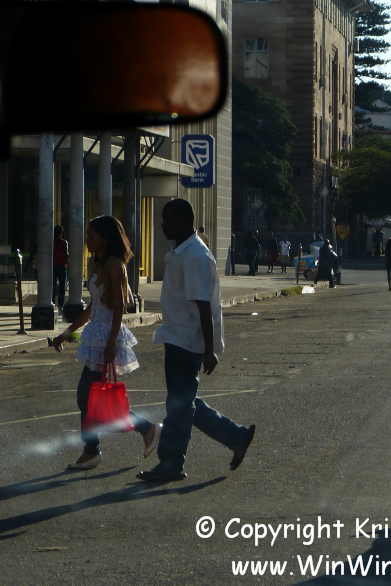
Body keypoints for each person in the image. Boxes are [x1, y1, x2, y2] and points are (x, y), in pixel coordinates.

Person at [137, 198, 255, 481]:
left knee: (178, 406)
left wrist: (209, 351)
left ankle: (171, 463)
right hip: (177, 336)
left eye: (168, 220)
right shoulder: (182, 251)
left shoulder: (194, 257)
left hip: (187, 341)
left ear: (184, 222)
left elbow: (204, 307)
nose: (162, 225)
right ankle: (236, 437)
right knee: (185, 402)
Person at [53, 216, 160, 470]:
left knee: (87, 396)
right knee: (90, 397)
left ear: (105, 239)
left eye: (92, 236)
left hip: (105, 337)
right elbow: (93, 307)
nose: (87, 240)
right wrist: (66, 333)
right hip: (96, 335)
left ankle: (93, 450)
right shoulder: (99, 263)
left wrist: (111, 343)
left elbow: (118, 307)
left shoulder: (113, 265)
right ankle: (144, 430)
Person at [52, 224, 69, 311]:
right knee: (62, 287)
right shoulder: (63, 242)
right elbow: (66, 255)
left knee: (52, 286)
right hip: (62, 266)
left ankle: (52, 302)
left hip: (53, 266)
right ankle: (60, 305)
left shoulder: (51, 242)